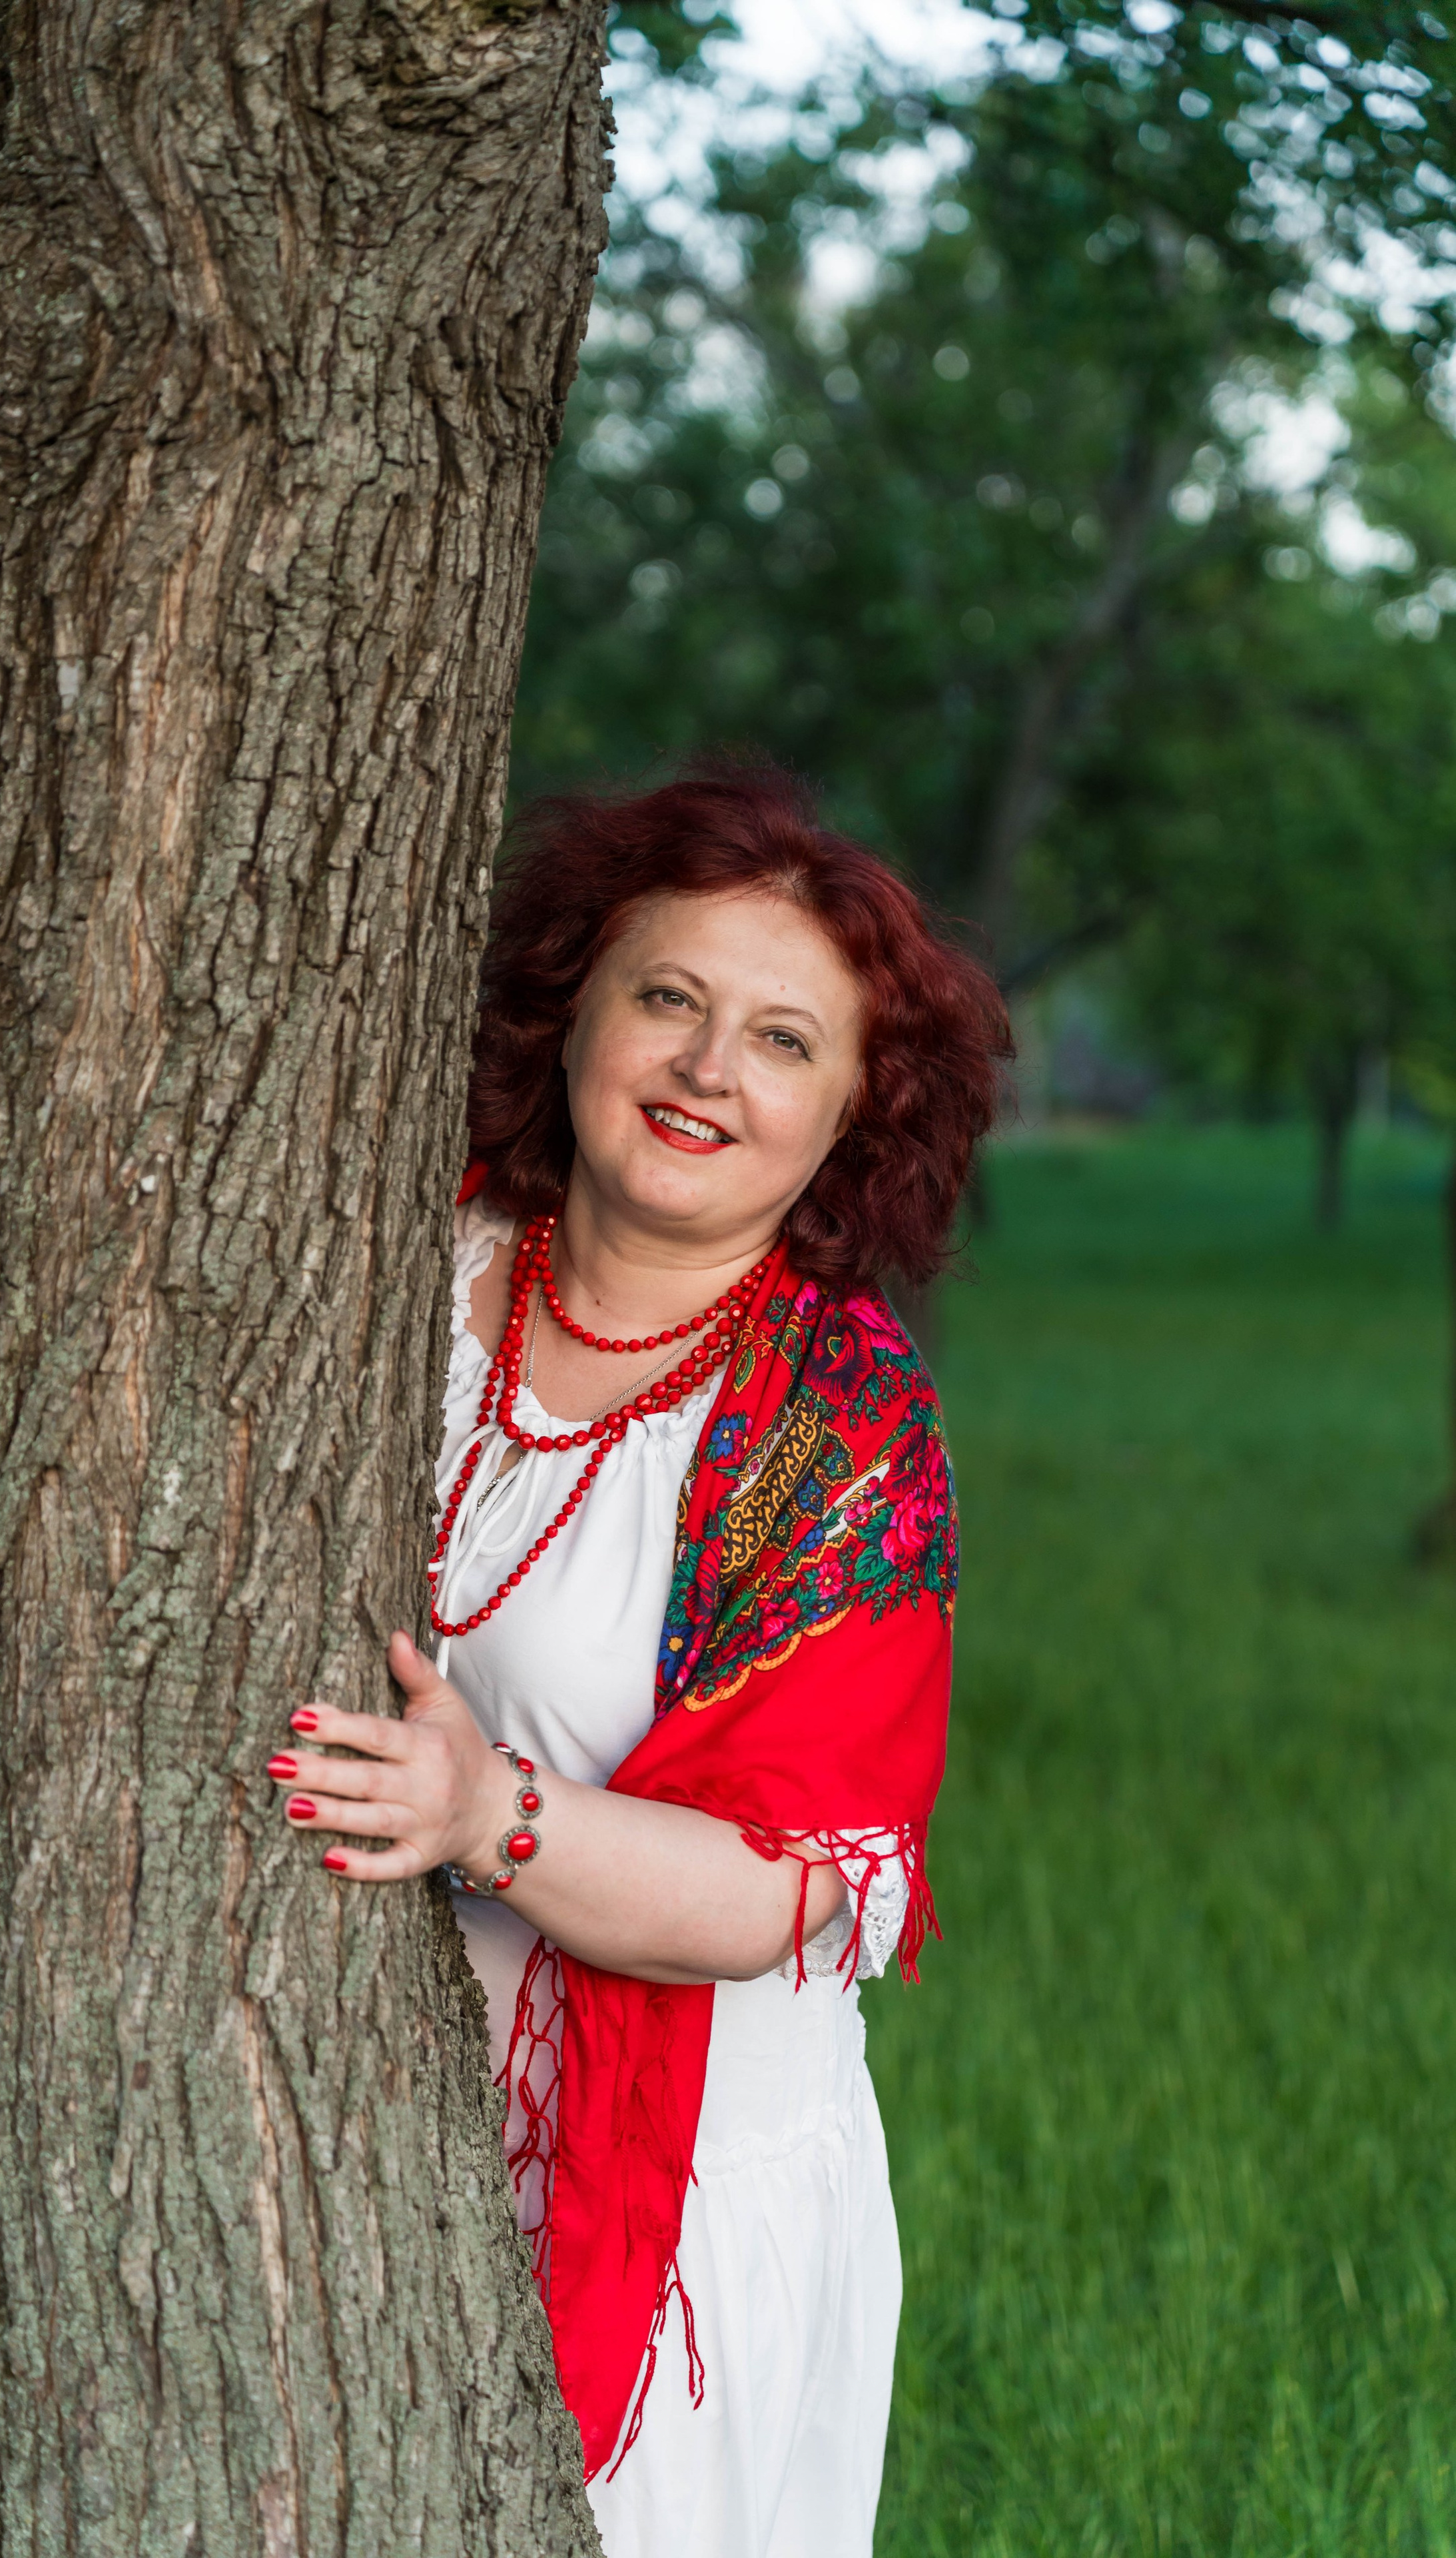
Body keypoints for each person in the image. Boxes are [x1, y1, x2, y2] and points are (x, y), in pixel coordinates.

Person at [266, 763, 1008, 2557]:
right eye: (668, 999)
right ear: (572, 1010)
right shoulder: (375, 1263)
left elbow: (786, 1893)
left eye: (780, 1042)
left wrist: (485, 1808)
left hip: (672, 2206)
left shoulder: (834, 1433)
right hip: (328, 2123)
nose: (705, 1070)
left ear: (850, 1115)